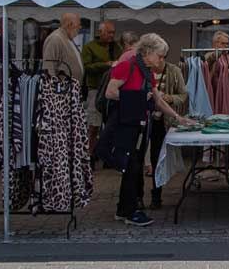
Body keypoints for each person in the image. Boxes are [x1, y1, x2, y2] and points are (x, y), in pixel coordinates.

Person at [105, 34, 192, 226]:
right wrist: (138, 98)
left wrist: (178, 118)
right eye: (160, 56)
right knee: (132, 167)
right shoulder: (127, 66)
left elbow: (158, 101)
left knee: (132, 167)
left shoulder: (147, 72)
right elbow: (110, 92)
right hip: (126, 126)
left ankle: (123, 209)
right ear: (148, 52)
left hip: (139, 126)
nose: (162, 60)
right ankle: (129, 211)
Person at [147, 50, 187, 209]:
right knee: (141, 159)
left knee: (157, 158)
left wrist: (169, 98)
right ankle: (137, 196)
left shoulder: (174, 71)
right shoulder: (145, 70)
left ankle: (156, 195)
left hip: (162, 122)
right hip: (144, 120)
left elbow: (183, 95)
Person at [82, 21, 121, 154]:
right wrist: (106, 65)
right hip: (96, 89)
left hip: (113, 89)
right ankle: (88, 156)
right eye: (109, 32)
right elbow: (86, 67)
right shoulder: (89, 47)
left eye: (113, 32)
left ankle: (107, 154)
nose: (112, 35)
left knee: (112, 124)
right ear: (100, 32)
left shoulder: (116, 47)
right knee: (93, 124)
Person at [42, 12, 84, 80]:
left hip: (71, 87)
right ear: (69, 25)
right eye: (78, 25)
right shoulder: (55, 39)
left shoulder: (68, 37)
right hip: (62, 88)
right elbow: (49, 67)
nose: (80, 27)